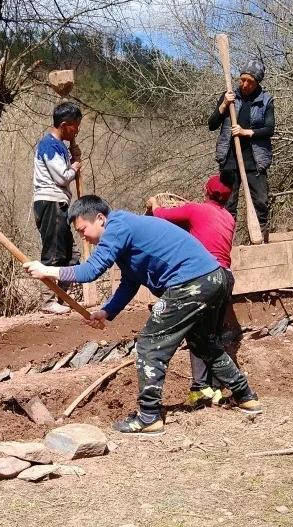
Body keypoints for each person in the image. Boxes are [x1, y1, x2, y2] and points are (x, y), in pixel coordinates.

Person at [23, 196, 260, 435]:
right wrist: (107, 311)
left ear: (100, 219)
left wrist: (48, 270)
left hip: (191, 282)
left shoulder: (118, 226)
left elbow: (91, 270)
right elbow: (130, 282)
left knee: (149, 344)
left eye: (83, 230)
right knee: (204, 343)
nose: (83, 237)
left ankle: (149, 416)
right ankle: (245, 396)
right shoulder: (125, 231)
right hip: (212, 278)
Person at [146, 176, 258, 414]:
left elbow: (160, 217)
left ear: (205, 191)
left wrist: (154, 203)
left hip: (202, 276)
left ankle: (200, 387)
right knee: (213, 333)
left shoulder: (196, 209)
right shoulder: (229, 218)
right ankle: (215, 387)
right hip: (225, 278)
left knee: (197, 333)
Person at [208, 59, 275, 241]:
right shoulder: (230, 96)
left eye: (250, 82)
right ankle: (227, 245)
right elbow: (212, 124)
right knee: (228, 206)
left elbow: (270, 129)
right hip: (230, 160)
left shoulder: (265, 100)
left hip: (255, 160)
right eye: (242, 79)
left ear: (257, 82)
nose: (245, 84)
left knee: (261, 202)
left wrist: (246, 132)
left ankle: (262, 242)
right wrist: (223, 105)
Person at [33, 102, 83, 314]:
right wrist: (75, 165)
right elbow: (62, 177)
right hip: (50, 202)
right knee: (54, 252)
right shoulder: (49, 145)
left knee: (70, 255)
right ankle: (48, 300)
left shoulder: (59, 145)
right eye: (75, 126)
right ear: (64, 125)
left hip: (59, 202)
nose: (77, 131)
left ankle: (60, 297)